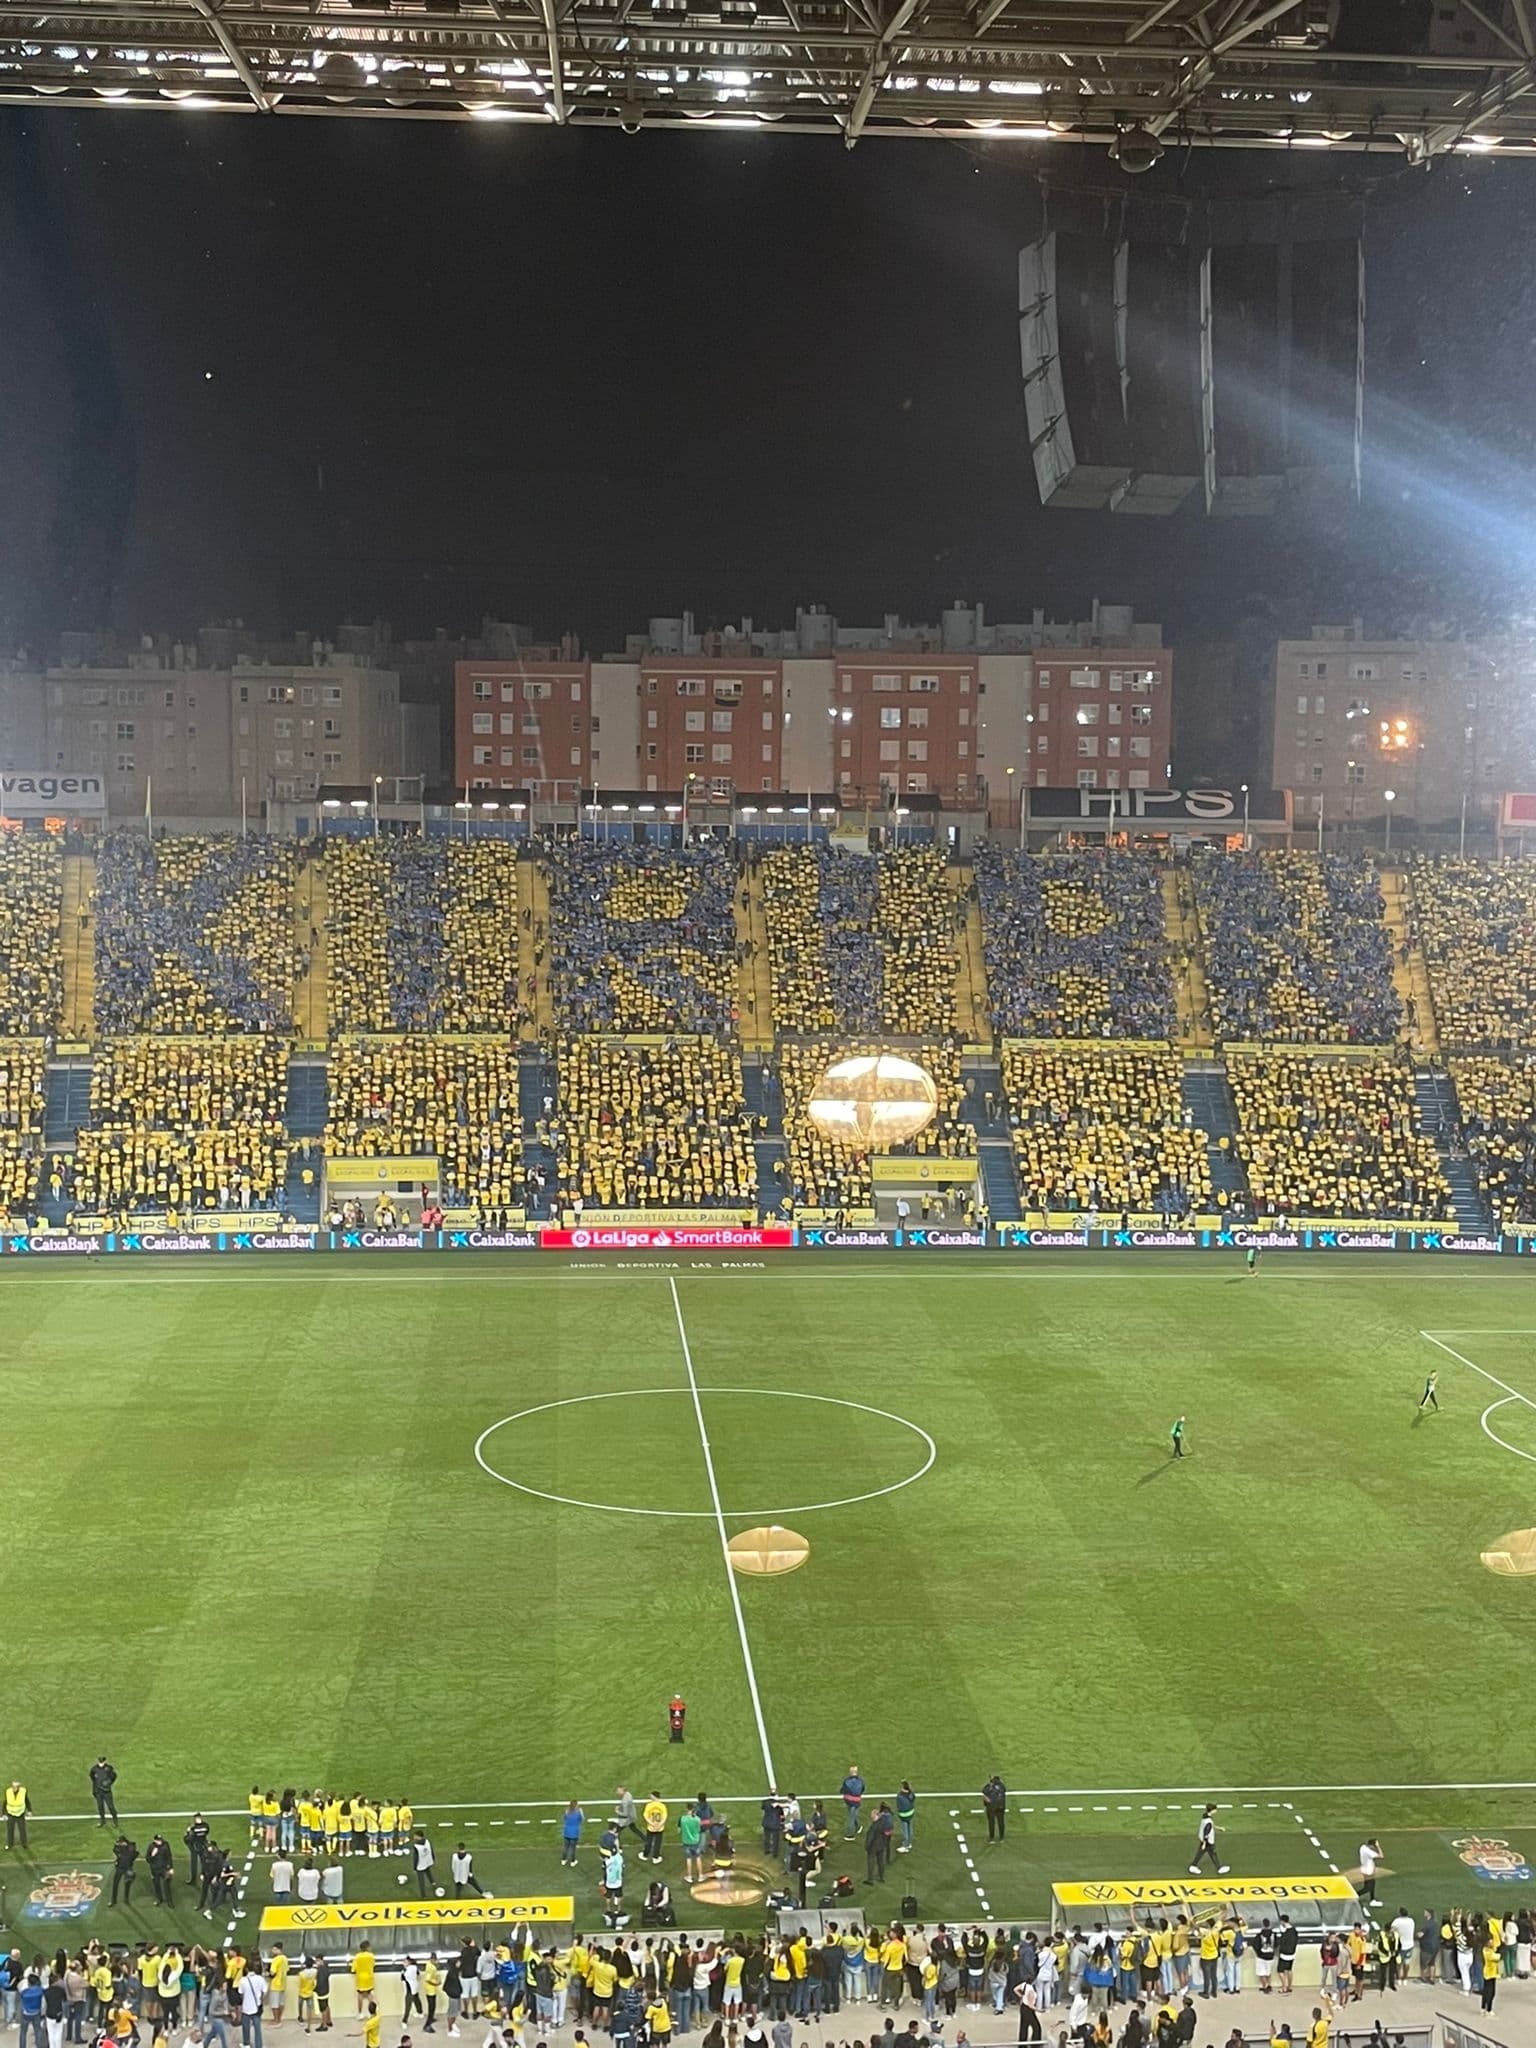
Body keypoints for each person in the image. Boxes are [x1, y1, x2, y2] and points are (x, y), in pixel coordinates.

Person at [1189, 1807, 1228, 1876]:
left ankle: (1193, 1866)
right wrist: (1204, 1843)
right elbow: (1206, 1832)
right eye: (1215, 1809)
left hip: (1204, 1840)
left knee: (1201, 1853)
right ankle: (1219, 1868)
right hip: (1208, 1841)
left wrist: (1219, 1828)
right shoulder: (1208, 1821)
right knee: (1212, 1853)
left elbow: (1211, 1825)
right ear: (1212, 1810)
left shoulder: (1205, 1816)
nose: (1216, 1811)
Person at [111, 1836, 139, 1907]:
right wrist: (116, 1860)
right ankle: (113, 1900)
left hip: (127, 1868)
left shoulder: (131, 1847)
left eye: (120, 1842)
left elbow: (136, 1854)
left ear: (124, 1842)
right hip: (119, 1868)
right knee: (115, 1883)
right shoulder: (117, 1848)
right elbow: (115, 1854)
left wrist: (131, 1862)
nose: (119, 1844)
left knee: (127, 1883)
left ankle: (126, 1899)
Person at [91, 1759, 120, 1827]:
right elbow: (92, 1778)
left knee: (110, 1806)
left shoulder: (109, 1768)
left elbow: (114, 1776)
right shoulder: (94, 1769)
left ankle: (115, 1821)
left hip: (106, 1791)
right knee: (100, 1807)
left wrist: (109, 1782)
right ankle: (102, 1821)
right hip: (98, 1791)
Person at [840, 1768, 866, 1840]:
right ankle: (858, 1827)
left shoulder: (847, 1781)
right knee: (853, 1815)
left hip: (848, 1801)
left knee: (851, 1818)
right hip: (857, 1801)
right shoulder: (861, 1781)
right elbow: (863, 1789)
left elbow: (842, 1790)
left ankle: (851, 1835)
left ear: (850, 1773)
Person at [5, 1781, 30, 1849]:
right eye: (12, 1786)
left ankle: (24, 1844)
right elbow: (5, 1802)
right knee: (10, 1830)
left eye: (15, 1787)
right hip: (10, 1814)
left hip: (20, 1814)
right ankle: (10, 1844)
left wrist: (29, 1810)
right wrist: (4, 1813)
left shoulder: (23, 1792)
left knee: (22, 1830)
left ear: (18, 1787)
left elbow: (26, 1801)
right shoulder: (8, 1792)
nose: (13, 1788)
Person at [982, 1777, 1008, 1843]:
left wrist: (990, 1784)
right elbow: (1004, 1789)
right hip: (1001, 1807)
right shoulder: (1002, 1787)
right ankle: (1001, 1837)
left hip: (991, 1807)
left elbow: (984, 1791)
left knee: (991, 1823)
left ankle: (991, 1838)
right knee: (1001, 1822)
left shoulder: (989, 1787)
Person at [1358, 1840, 1380, 1909]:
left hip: (1365, 1870)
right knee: (1368, 1888)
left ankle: (1372, 1899)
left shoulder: (1363, 1847)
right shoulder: (1369, 1852)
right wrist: (1378, 1847)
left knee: (1372, 1885)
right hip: (1368, 1872)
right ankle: (1356, 1894)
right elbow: (1381, 1856)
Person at [413, 1833, 436, 1899]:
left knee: (421, 1880)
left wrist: (415, 1867)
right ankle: (433, 1882)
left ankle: (423, 1895)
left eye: (415, 1836)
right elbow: (431, 1851)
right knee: (428, 1872)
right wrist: (432, 1859)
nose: (414, 1837)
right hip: (427, 1861)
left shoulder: (416, 1846)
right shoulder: (427, 1842)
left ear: (418, 1836)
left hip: (420, 1864)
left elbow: (415, 1858)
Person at [896, 1783, 917, 1854]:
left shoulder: (900, 1797)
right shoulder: (911, 1794)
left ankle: (905, 1845)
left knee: (905, 1830)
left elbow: (899, 1806)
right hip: (910, 1813)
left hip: (904, 1816)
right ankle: (909, 1843)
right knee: (910, 1828)